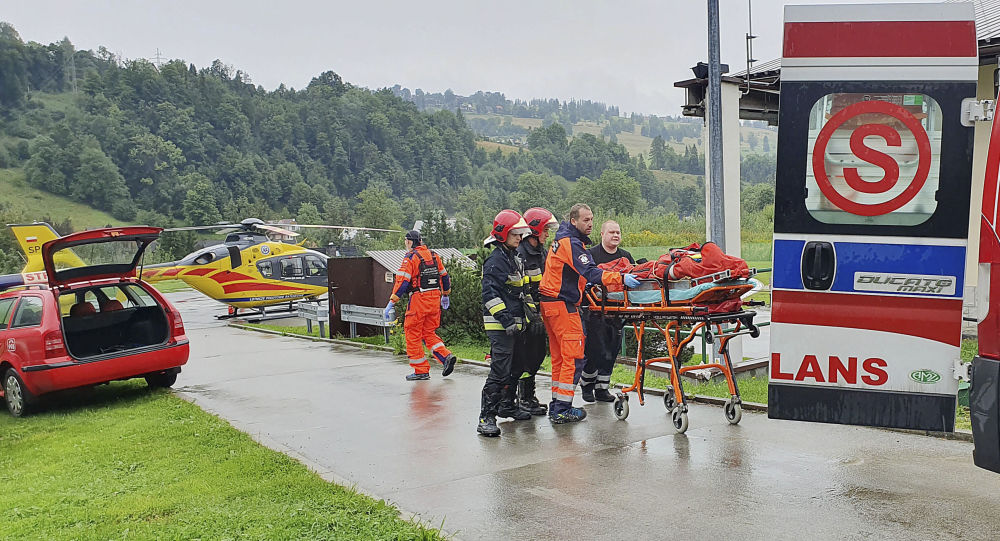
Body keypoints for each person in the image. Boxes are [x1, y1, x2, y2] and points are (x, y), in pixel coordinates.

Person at [538, 204, 640, 423]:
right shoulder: (571, 244)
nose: (590, 223)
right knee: (574, 358)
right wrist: (620, 279)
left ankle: (557, 404)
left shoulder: (562, 241)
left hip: (552, 305)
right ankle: (562, 408)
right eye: (586, 220)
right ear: (574, 221)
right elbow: (590, 272)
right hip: (563, 305)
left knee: (560, 359)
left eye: (592, 219)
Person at [478, 210, 534, 437]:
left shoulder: (512, 257)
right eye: (515, 234)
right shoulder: (496, 261)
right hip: (500, 325)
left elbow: (521, 291)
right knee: (500, 371)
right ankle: (486, 417)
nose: (519, 238)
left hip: (516, 323)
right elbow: (489, 294)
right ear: (502, 234)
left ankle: (506, 405)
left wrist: (532, 316)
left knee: (517, 367)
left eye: (521, 234)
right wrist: (506, 320)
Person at [384, 230, 457, 381]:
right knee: (428, 332)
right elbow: (444, 276)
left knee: (412, 333)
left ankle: (420, 371)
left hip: (419, 299)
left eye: (406, 241)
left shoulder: (411, 258)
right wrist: (446, 294)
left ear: (410, 242)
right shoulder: (434, 255)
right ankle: (446, 356)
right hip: (435, 299)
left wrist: (392, 301)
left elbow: (403, 281)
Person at [581, 220, 635, 403]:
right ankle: (587, 386)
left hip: (617, 313)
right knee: (594, 351)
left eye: (618, 232)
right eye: (611, 232)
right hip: (595, 312)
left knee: (611, 352)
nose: (616, 235)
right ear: (602, 234)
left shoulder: (625, 256)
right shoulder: (591, 255)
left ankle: (602, 388)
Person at [514, 207, 558, 416]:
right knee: (526, 356)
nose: (547, 234)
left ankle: (528, 396)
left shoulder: (540, 251)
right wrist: (533, 316)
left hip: (540, 312)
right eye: (545, 230)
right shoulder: (521, 254)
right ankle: (523, 397)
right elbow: (523, 290)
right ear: (534, 230)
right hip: (527, 315)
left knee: (537, 354)